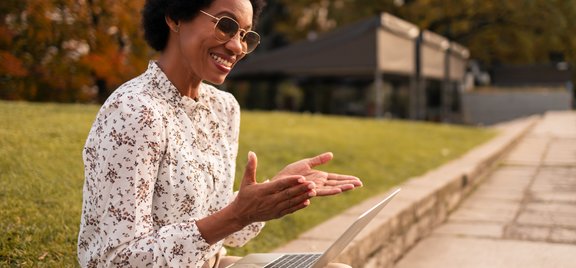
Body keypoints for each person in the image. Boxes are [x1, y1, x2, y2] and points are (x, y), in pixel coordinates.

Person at [76, 0, 363, 267]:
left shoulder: (223, 108)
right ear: (175, 18)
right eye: (226, 25)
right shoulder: (135, 111)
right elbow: (119, 259)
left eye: (245, 35)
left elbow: (227, 232)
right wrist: (238, 214)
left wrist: (273, 191)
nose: (237, 46)